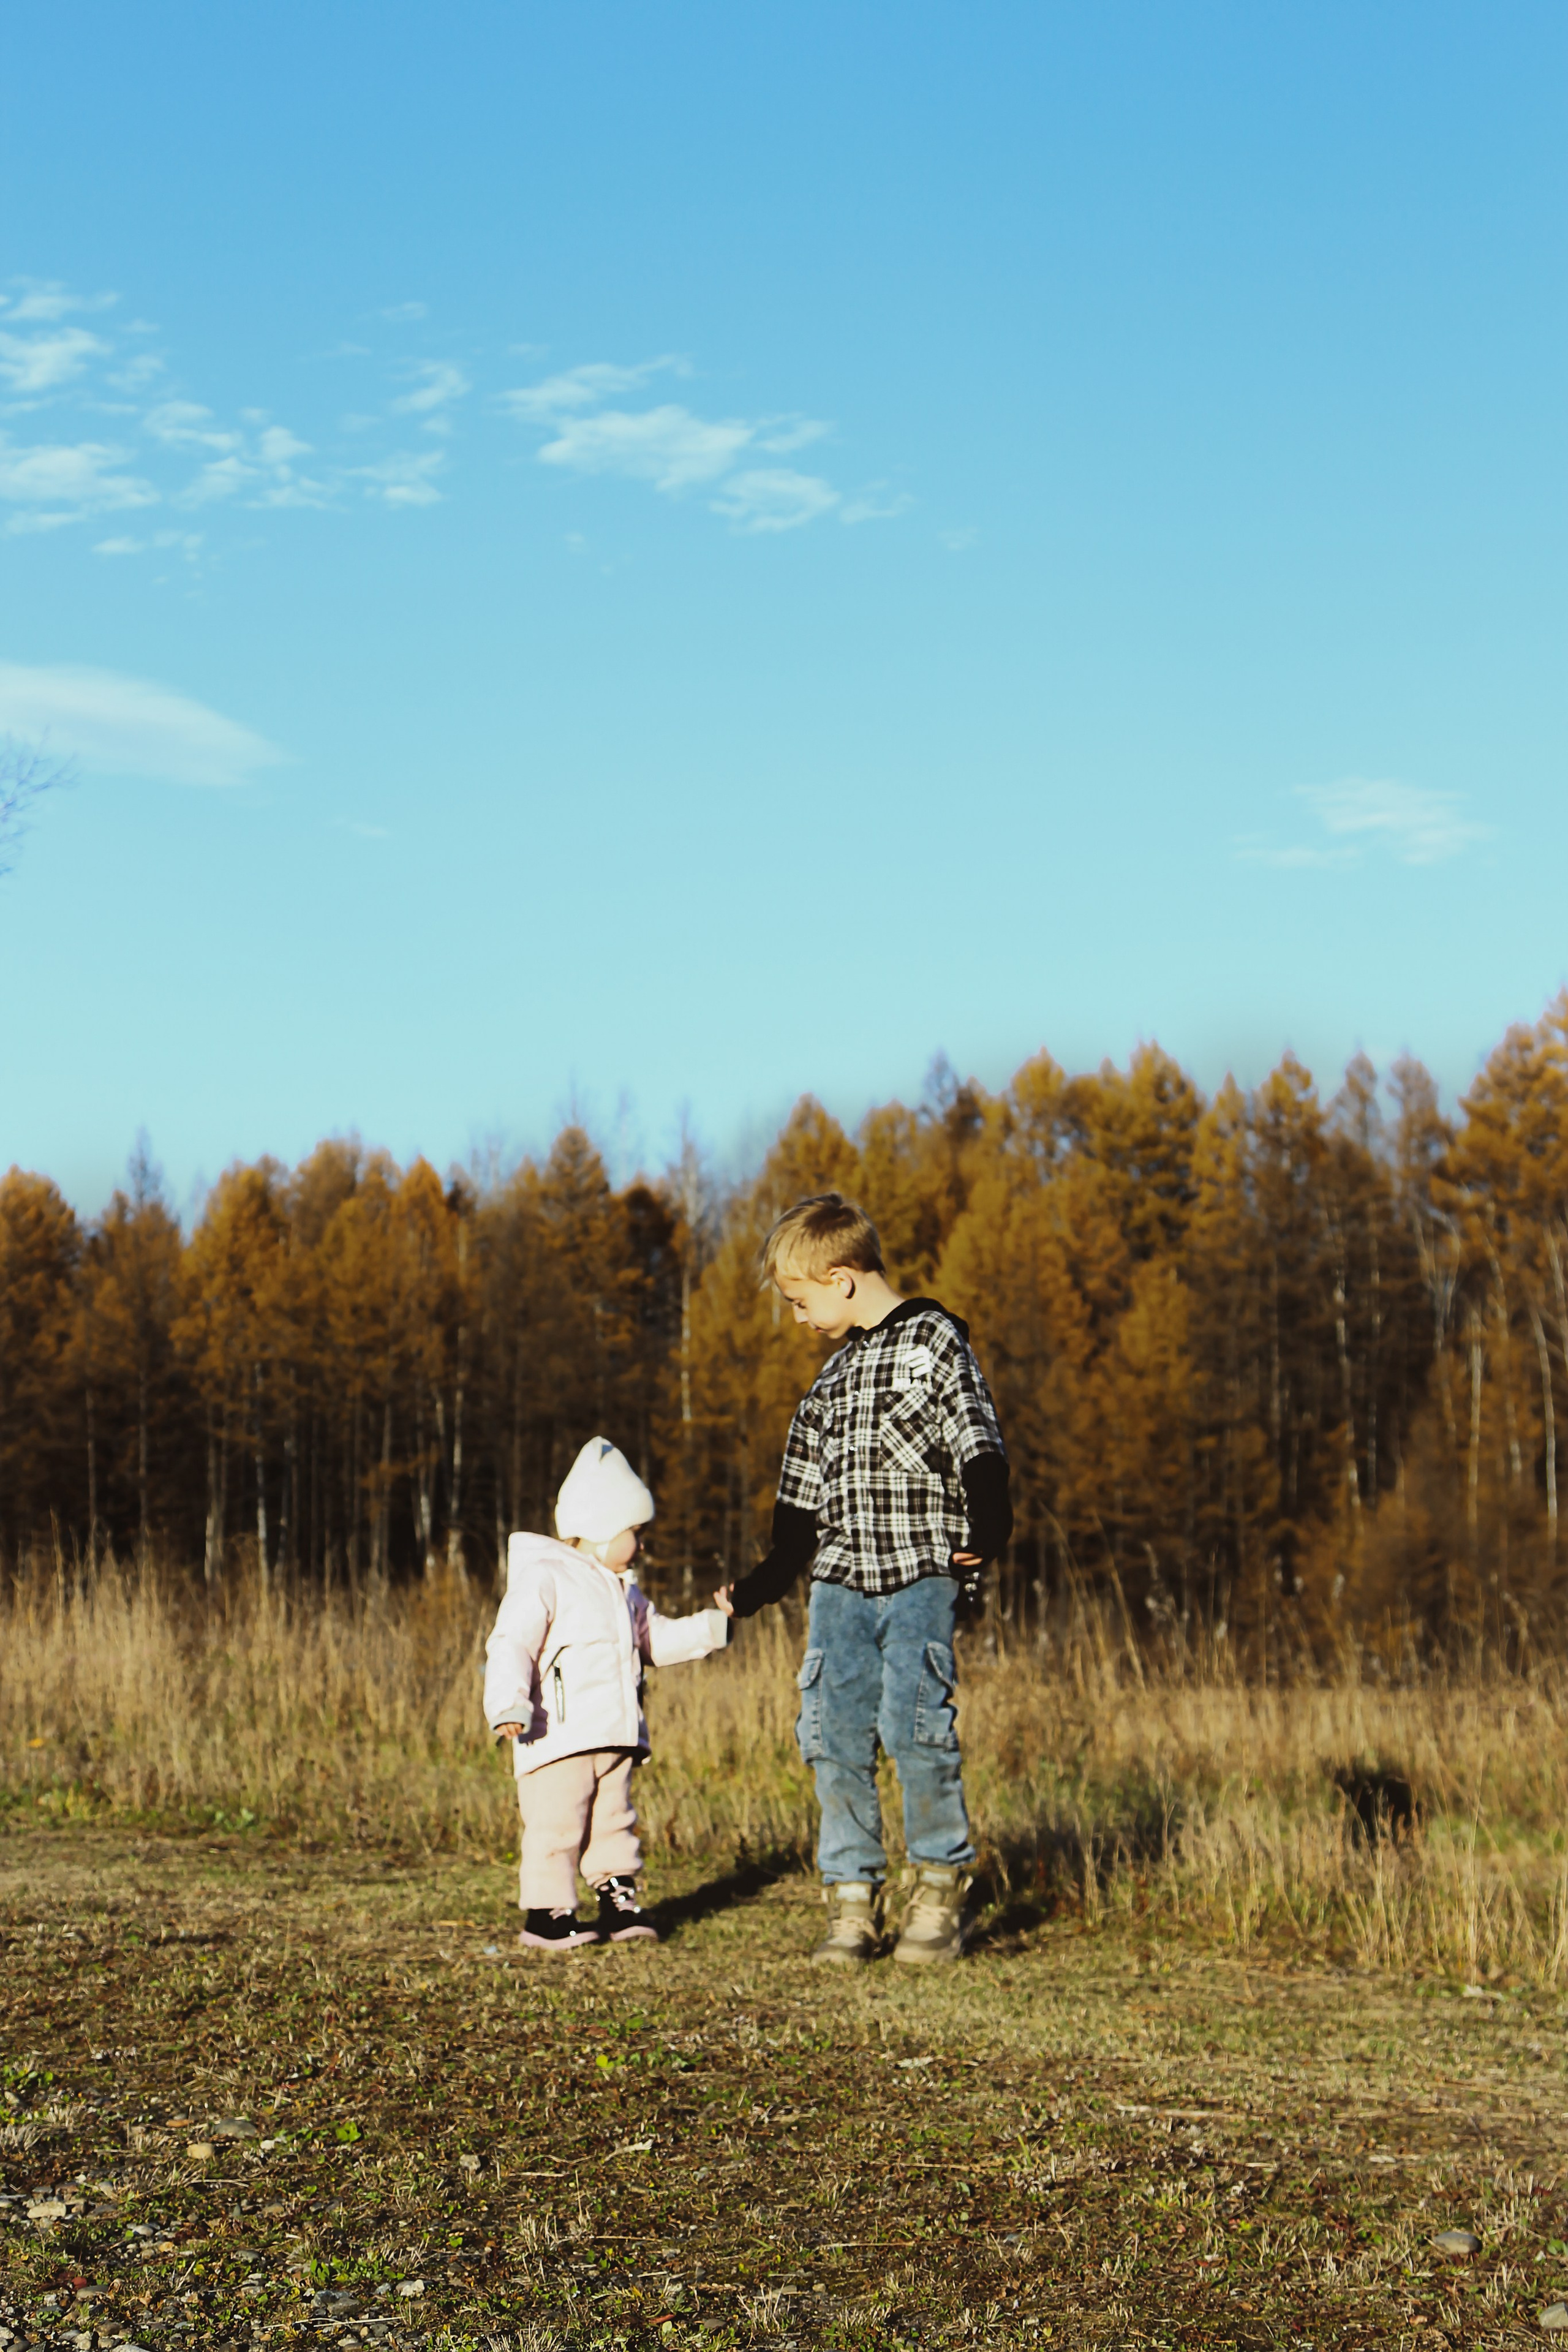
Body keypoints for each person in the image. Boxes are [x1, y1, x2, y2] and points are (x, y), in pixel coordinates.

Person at [715, 1192, 1011, 1967]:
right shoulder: (829, 1384)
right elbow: (797, 1511)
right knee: (831, 1734)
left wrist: (989, 1522)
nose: (797, 1317)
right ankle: (852, 1902)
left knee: (916, 1727)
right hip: (839, 1587)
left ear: (840, 1279)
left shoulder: (934, 1342)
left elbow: (976, 1437)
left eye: (798, 1300)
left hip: (920, 1573)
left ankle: (938, 1892)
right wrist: (757, 1586)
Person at [486, 1435, 729, 1952]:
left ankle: (618, 1899)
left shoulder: (625, 1592)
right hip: (557, 1736)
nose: (641, 1544)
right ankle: (548, 1914)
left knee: (614, 1822)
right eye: (634, 1533)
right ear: (600, 1528)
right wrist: (509, 1702)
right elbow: (512, 1642)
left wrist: (712, 1628)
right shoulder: (546, 1577)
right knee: (557, 1824)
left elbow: (654, 1640)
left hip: (614, 1734)